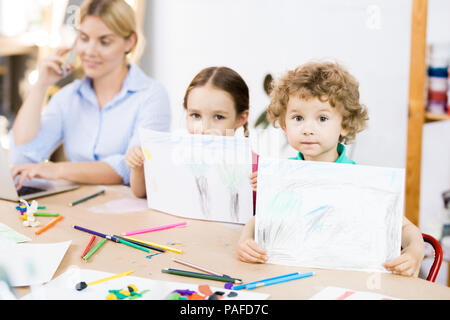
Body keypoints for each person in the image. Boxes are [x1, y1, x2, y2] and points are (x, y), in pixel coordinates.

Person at [238, 61, 425, 278]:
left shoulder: (359, 180)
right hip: (288, 276)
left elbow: (404, 229)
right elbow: (260, 221)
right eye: (298, 118)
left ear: (344, 124)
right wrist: (246, 240)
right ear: (284, 124)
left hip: (345, 280)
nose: (308, 129)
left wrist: (414, 251)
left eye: (322, 118)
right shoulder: (283, 174)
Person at [9, 0, 171, 188]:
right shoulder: (69, 97)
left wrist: (58, 170)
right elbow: (22, 156)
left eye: (104, 41)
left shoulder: (151, 96)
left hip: (126, 209)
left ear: (130, 42)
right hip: (78, 205)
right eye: (84, 38)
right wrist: (41, 85)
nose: (89, 51)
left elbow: (129, 168)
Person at [126, 66, 250, 198]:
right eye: (196, 115)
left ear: (241, 118)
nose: (203, 129)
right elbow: (142, 193)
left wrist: (261, 188)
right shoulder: (176, 154)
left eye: (218, 117)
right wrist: (138, 167)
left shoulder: (251, 165)